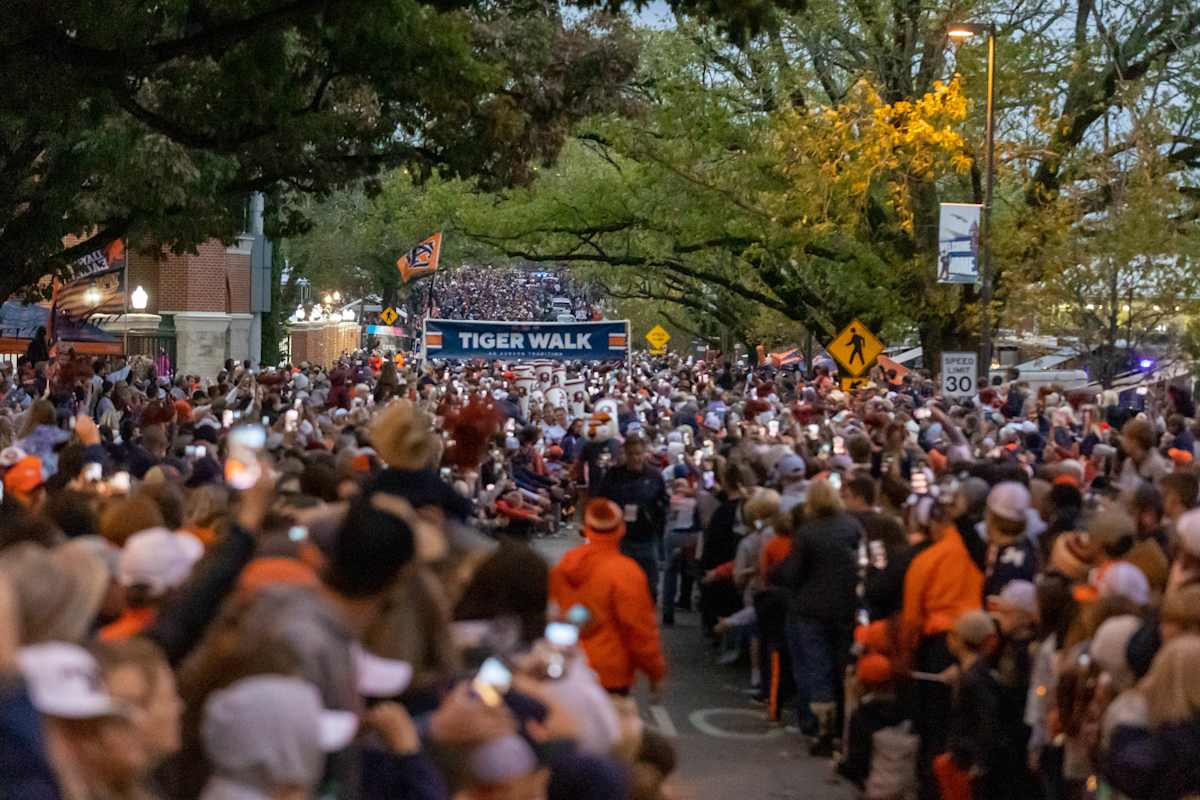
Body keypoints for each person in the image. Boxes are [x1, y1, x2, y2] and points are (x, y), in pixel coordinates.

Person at [771, 478, 861, 756]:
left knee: (814, 666)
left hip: (809, 609)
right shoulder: (852, 527)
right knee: (838, 664)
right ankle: (839, 726)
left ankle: (817, 723)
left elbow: (793, 573)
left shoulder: (808, 533)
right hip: (845, 607)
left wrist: (779, 573)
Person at [549, 499, 666, 697]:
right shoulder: (626, 572)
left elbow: (552, 613)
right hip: (608, 673)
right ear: (621, 529)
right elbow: (639, 629)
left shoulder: (564, 566)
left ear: (586, 529)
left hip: (566, 666)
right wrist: (654, 671)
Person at [594, 435, 667, 596]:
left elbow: (663, 502)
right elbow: (600, 501)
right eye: (632, 454)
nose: (636, 458)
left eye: (639, 454)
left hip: (646, 538)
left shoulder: (654, 476)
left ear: (645, 453)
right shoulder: (614, 476)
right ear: (626, 454)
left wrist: (657, 518)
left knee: (650, 587)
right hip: (620, 538)